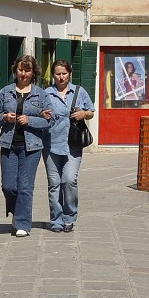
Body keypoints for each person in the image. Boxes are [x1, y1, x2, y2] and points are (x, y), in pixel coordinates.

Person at [0, 55, 53, 237]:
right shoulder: (5, 92)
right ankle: (17, 212)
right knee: (9, 186)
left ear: (33, 73)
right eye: (20, 70)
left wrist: (30, 120)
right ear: (15, 70)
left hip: (31, 147)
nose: (23, 74)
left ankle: (22, 224)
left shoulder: (41, 95)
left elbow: (50, 120)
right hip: (9, 145)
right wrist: (4, 117)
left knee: (25, 186)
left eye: (27, 70)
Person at [41, 59, 96, 233]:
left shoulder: (79, 91)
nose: (61, 77)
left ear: (69, 73)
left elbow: (91, 112)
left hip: (72, 144)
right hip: (51, 144)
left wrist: (84, 113)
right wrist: (43, 114)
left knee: (69, 180)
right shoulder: (46, 93)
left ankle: (69, 216)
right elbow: (38, 114)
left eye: (64, 73)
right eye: (58, 74)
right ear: (53, 75)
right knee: (54, 183)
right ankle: (56, 220)